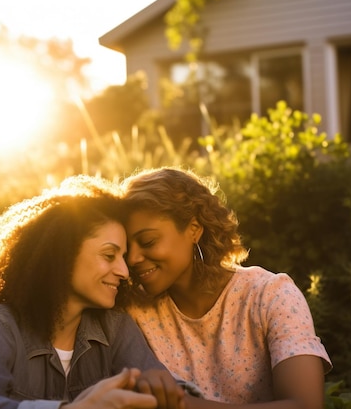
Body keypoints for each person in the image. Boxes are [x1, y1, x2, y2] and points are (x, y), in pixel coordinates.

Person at [0, 175, 185, 409]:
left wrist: (160, 390)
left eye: (123, 257)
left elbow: (168, 397)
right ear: (62, 254)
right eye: (109, 254)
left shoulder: (116, 330)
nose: (124, 272)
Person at [119, 167, 333, 409]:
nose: (133, 258)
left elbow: (305, 405)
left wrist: (184, 406)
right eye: (126, 247)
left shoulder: (270, 295)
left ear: (194, 229)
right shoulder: (133, 311)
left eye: (148, 241)